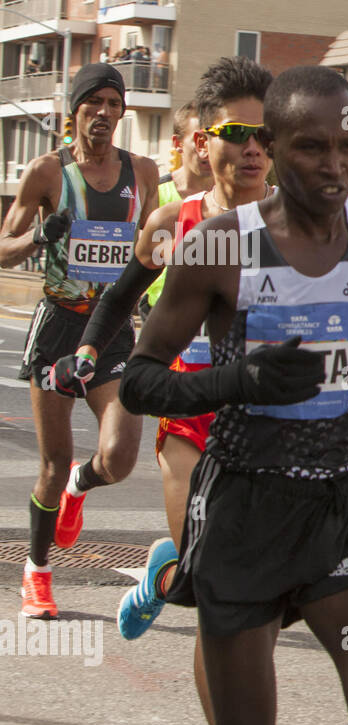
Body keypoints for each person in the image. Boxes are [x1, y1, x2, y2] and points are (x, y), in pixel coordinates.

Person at [118, 65, 348, 725]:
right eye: (312, 147)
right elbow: (139, 381)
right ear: (275, 145)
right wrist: (239, 380)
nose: (335, 164)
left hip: (345, 508)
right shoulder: (220, 245)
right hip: (244, 511)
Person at [60, 57, 274, 675]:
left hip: (264, 423)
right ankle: (172, 575)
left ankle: (162, 581)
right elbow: (122, 294)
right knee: (206, 577)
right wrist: (88, 349)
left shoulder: (297, 226)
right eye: (237, 134)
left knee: (232, 582)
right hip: (185, 416)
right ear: (204, 144)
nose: (254, 149)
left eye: (265, 136)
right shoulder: (170, 223)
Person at [0, 63, 159, 619]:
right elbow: (3, 248)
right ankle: (37, 574)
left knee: (117, 457)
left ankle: (79, 488)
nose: (104, 114)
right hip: (59, 326)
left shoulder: (143, 173)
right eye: (93, 104)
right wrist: (37, 236)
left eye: (113, 104)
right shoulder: (47, 172)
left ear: (122, 112)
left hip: (112, 330)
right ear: (75, 113)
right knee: (52, 460)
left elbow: (149, 248)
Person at [140, 100, 216, 316]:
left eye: (212, 140)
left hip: (211, 315)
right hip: (160, 313)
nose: (205, 150)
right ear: (177, 143)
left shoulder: (233, 199)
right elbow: (137, 256)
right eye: (198, 140)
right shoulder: (157, 192)